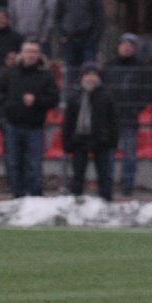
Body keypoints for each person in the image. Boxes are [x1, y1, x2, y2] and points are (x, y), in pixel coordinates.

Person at [0, 39, 59, 198]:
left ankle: (36, 197)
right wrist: (8, 105)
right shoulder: (9, 73)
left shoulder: (45, 76)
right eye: (28, 51)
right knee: (14, 163)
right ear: (22, 53)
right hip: (13, 125)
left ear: (39, 54)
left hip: (35, 127)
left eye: (34, 52)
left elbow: (54, 99)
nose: (31, 55)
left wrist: (36, 101)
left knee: (35, 165)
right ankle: (17, 197)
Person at [62, 63, 117, 201]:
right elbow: (67, 122)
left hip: (101, 141)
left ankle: (106, 202)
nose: (90, 78)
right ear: (82, 77)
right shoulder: (74, 96)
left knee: (104, 175)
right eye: (87, 75)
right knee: (78, 175)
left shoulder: (107, 96)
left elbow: (113, 121)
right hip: (79, 140)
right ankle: (76, 201)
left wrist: (112, 141)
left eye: (94, 75)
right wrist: (67, 142)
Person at [105, 33, 150, 196]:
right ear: (118, 46)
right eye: (124, 44)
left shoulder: (142, 68)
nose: (126, 47)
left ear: (134, 48)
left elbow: (148, 92)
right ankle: (107, 184)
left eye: (130, 44)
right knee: (107, 154)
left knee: (129, 156)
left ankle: (127, 186)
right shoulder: (109, 66)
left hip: (130, 119)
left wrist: (136, 108)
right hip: (109, 120)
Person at [55, 0, 104, 81]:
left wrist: (95, 37)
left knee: (89, 69)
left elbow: (100, 17)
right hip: (69, 39)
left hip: (88, 38)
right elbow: (57, 17)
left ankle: (90, 94)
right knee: (71, 71)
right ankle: (72, 96)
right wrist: (61, 35)